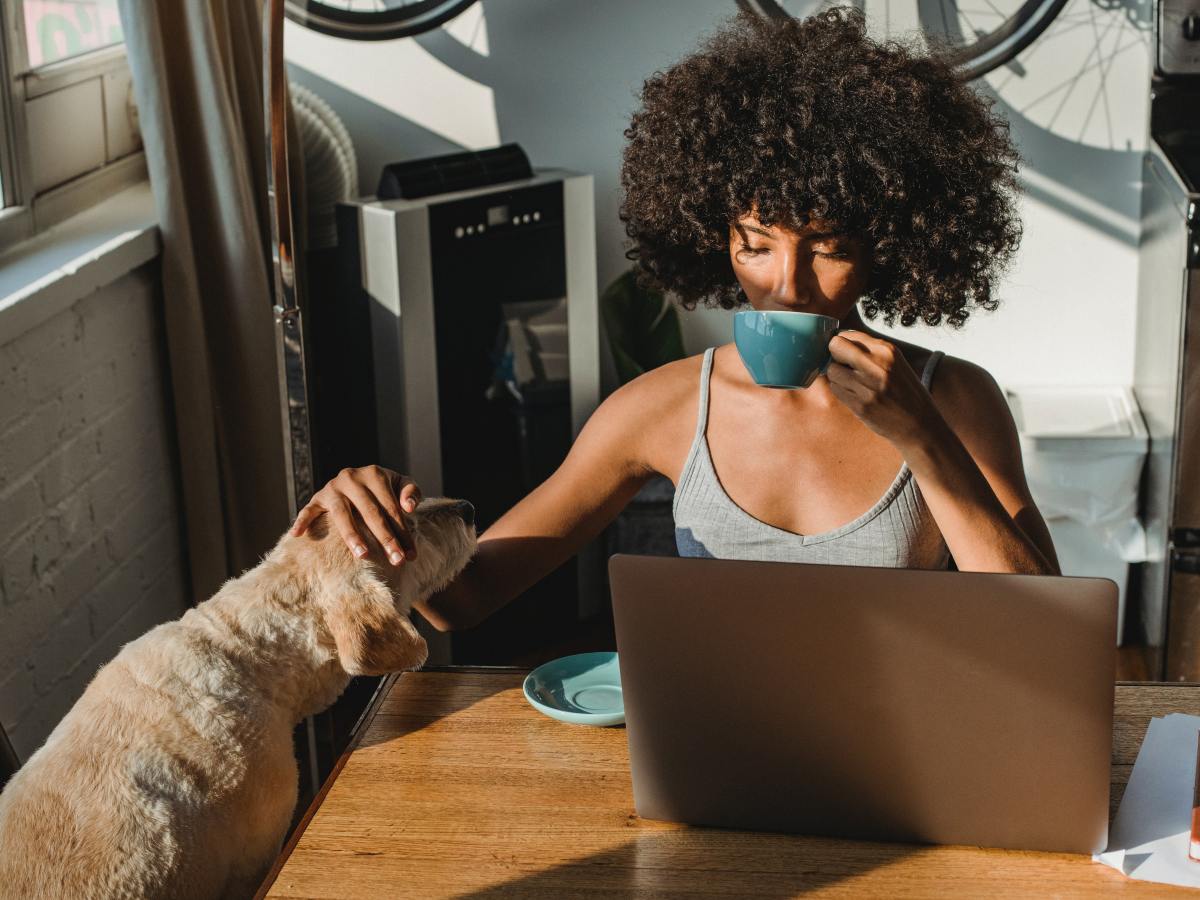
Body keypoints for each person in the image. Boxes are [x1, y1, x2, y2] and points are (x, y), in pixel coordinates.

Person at [289, 8, 1059, 632]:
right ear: (714, 236)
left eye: (828, 248)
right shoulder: (658, 410)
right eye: (755, 245)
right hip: (713, 747)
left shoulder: (951, 399)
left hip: (906, 745)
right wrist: (378, 524)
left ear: (888, 248)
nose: (787, 285)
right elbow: (466, 598)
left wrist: (923, 437)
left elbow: (1046, 627)